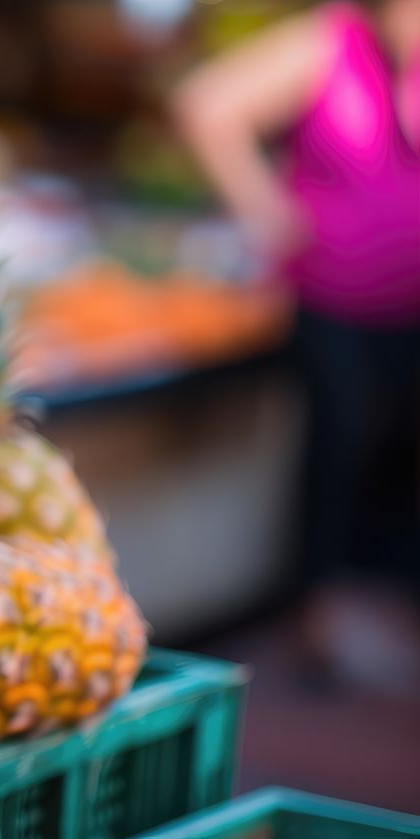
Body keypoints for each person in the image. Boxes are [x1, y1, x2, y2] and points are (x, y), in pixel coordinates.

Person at [174, 1, 420, 685]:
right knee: (337, 454)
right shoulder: (327, 42)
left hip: (412, 310)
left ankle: (382, 628)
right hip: (333, 303)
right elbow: (205, 105)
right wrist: (266, 211)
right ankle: (319, 625)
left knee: (399, 475)